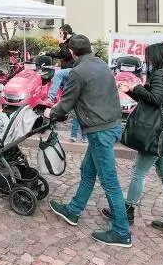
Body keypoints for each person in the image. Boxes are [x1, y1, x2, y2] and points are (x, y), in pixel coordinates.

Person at [45, 35, 131, 247]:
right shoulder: (102, 64)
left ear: (72, 52)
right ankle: (73, 211)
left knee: (109, 181)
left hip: (99, 130)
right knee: (88, 170)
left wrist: (50, 112)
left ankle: (121, 232)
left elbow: (66, 103)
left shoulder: (78, 72)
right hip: (111, 125)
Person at [103, 43, 163, 236]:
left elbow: (155, 99)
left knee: (138, 172)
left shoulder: (160, 74)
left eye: (148, 56)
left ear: (156, 56)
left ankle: (127, 210)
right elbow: (151, 99)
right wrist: (130, 90)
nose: (147, 60)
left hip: (158, 134)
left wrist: (136, 87)